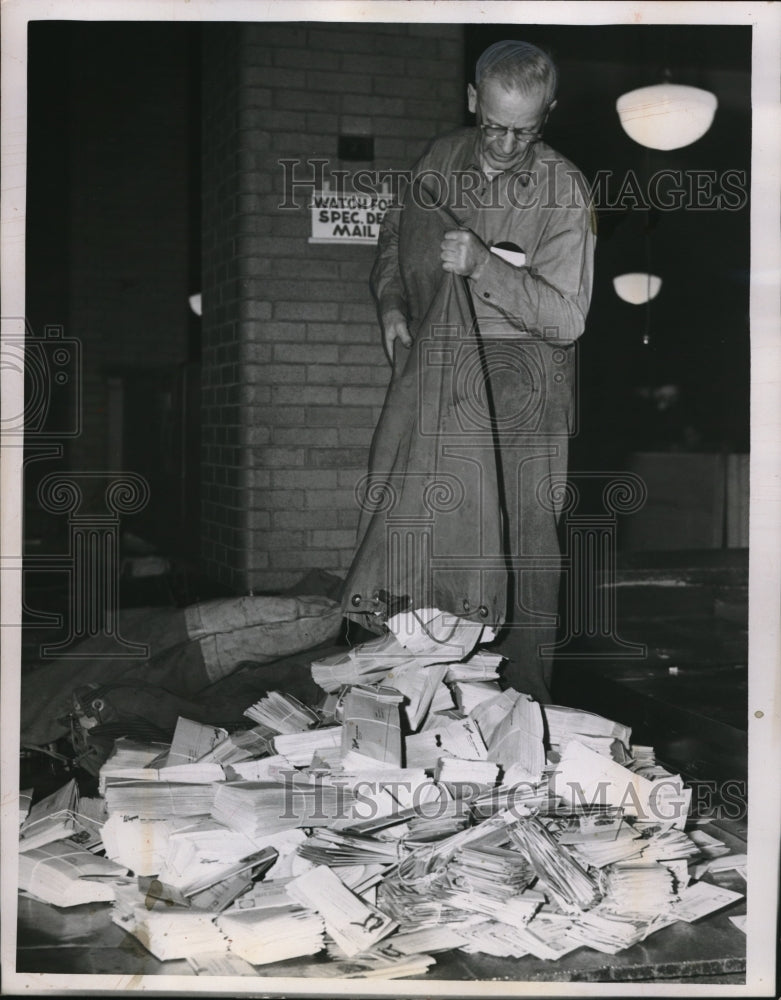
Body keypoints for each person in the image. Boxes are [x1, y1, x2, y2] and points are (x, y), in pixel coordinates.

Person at [367, 40, 596, 703]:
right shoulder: (439, 158)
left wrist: (484, 267)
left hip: (522, 383)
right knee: (420, 526)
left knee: (523, 548)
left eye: (521, 130)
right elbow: (394, 237)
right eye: (492, 124)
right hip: (441, 373)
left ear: (546, 114)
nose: (501, 143)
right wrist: (388, 304)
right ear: (472, 100)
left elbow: (567, 318)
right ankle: (424, 696)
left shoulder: (563, 190)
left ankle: (525, 707)